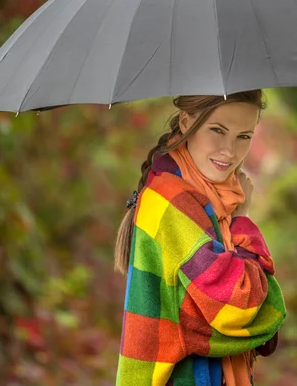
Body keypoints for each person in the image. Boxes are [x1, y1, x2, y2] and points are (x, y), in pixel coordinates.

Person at [114, 91, 287, 386]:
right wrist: (241, 221)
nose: (230, 151)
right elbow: (238, 309)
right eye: (217, 131)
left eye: (243, 137)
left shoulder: (208, 198)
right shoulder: (172, 201)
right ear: (185, 121)